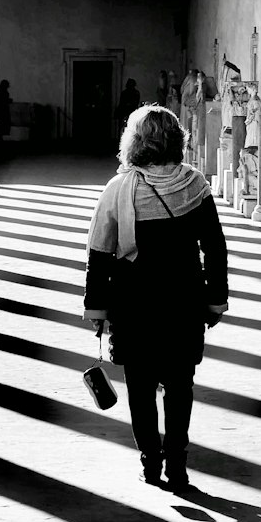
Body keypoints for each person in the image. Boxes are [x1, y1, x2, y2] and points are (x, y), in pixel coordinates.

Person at [83, 104, 228, 491]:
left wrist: (97, 308)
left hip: (135, 304)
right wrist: (215, 299)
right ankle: (177, 463)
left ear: (133, 142)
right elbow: (214, 247)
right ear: (177, 139)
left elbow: (100, 252)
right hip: (183, 300)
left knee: (141, 387)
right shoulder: (194, 185)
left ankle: (151, 458)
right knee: (181, 386)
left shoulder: (118, 190)